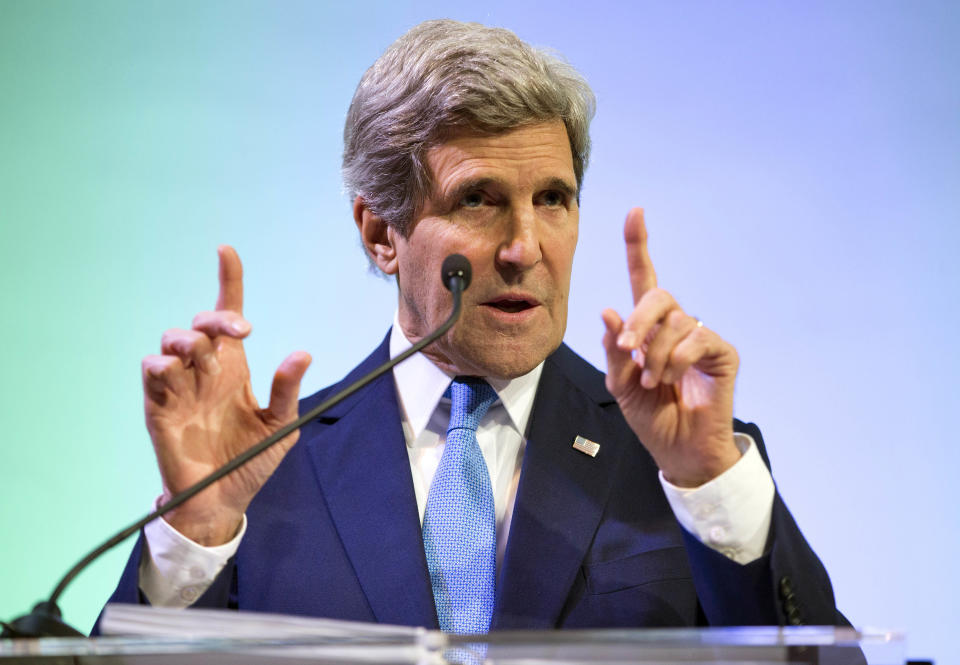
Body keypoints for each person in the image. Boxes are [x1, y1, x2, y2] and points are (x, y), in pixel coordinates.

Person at [105, 19, 843, 631]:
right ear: (380, 233)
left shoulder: (679, 460)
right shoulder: (266, 469)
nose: (526, 248)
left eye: (553, 198)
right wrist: (194, 534)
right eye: (479, 200)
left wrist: (711, 484)